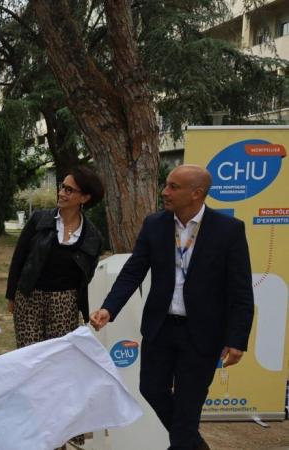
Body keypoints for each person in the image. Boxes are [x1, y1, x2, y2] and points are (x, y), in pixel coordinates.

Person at [90, 164, 254, 450]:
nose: (164, 192)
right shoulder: (155, 224)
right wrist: (109, 308)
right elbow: (133, 271)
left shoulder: (228, 230)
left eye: (173, 187)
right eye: (166, 185)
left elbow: (240, 289)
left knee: (188, 406)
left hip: (202, 333)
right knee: (151, 389)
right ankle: (191, 444)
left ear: (196, 193)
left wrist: (237, 339)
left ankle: (183, 443)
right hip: (160, 328)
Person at [5, 166, 104, 449]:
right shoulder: (40, 220)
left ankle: (58, 435)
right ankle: (32, 431)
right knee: (30, 364)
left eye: (69, 189)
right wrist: (12, 295)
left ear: (84, 198)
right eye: (62, 186)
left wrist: (81, 309)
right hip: (30, 299)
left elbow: (87, 276)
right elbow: (20, 258)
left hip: (65, 302)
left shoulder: (93, 236)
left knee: (58, 369)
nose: (62, 192)